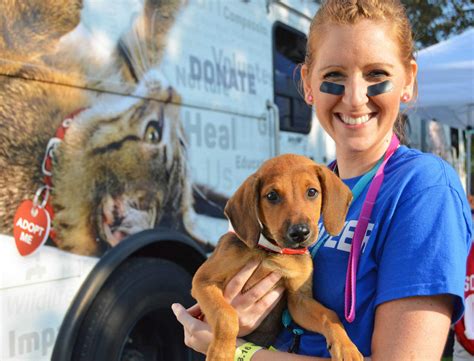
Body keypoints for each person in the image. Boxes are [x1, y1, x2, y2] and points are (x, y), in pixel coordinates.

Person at [172, 0, 472, 359]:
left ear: (408, 80)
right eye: (334, 76)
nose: (355, 97)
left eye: (377, 74)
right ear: (307, 84)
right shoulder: (314, 186)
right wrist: (240, 319)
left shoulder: (423, 188)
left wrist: (241, 352)